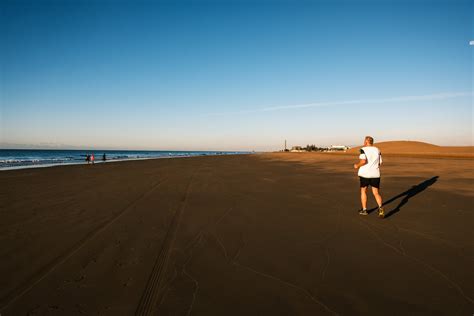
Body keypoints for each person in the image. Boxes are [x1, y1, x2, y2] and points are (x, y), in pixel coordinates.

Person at [353, 136, 385, 218]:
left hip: (365, 174)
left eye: (364, 141)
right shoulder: (377, 150)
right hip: (375, 174)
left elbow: (363, 161)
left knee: (363, 191)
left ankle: (364, 210)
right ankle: (381, 209)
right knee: (376, 193)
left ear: (367, 142)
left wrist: (357, 165)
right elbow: (380, 162)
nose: (363, 142)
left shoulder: (363, 149)